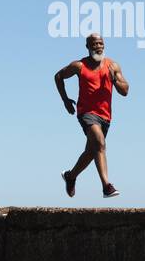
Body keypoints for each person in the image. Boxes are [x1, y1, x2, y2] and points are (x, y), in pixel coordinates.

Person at [54, 33, 129, 198]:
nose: (98, 46)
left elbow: (125, 91)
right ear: (87, 46)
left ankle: (70, 176)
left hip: (105, 116)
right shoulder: (79, 66)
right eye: (94, 44)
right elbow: (58, 76)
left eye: (101, 43)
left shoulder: (112, 66)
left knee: (92, 151)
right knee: (100, 143)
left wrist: (114, 80)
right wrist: (66, 100)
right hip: (86, 113)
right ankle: (106, 186)